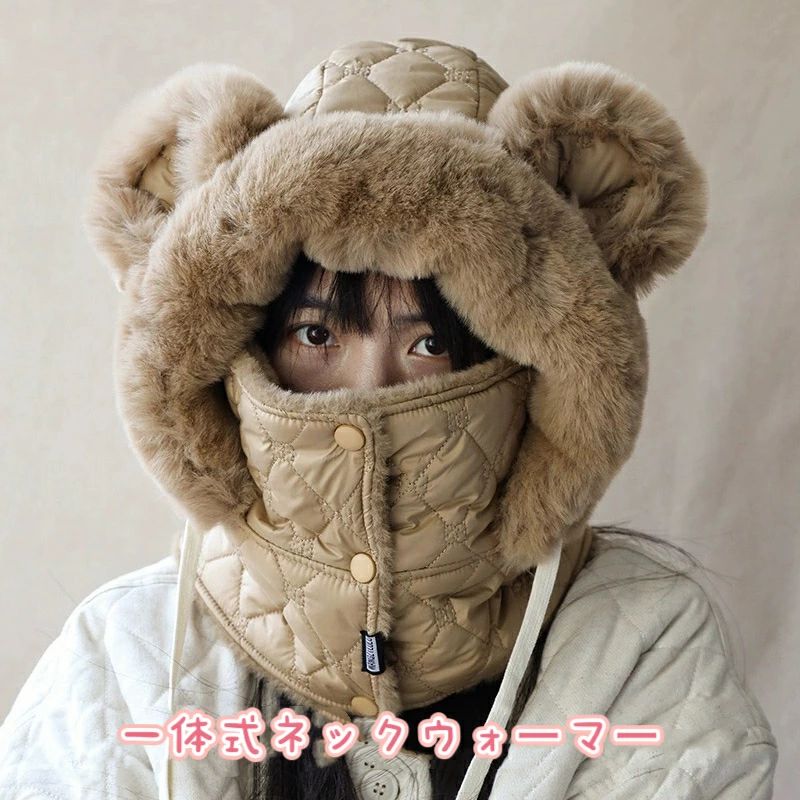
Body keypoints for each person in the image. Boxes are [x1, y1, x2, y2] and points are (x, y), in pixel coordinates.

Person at [0, 37, 777, 800]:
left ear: (532, 369)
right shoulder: (129, 649)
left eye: (429, 342)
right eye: (317, 335)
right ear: (243, 347)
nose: (366, 391)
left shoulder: (641, 639)